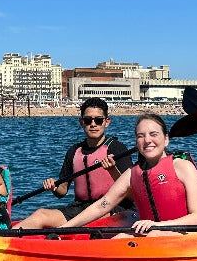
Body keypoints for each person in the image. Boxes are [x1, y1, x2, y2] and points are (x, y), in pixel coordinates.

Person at [60, 113, 197, 236]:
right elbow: (102, 206)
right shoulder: (132, 174)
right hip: (153, 232)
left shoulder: (182, 166)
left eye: (153, 134)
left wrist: (158, 226)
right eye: (141, 136)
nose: (147, 140)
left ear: (166, 139)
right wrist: (64, 229)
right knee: (121, 237)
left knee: (153, 235)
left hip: (189, 235)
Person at [12, 98, 135, 230]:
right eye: (88, 120)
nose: (93, 124)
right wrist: (54, 187)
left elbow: (132, 193)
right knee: (40, 215)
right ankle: (2, 238)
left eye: (98, 120)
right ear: (81, 122)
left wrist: (113, 170)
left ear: (107, 122)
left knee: (98, 214)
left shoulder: (117, 149)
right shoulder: (74, 151)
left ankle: (62, 234)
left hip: (111, 208)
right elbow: (62, 191)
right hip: (80, 208)